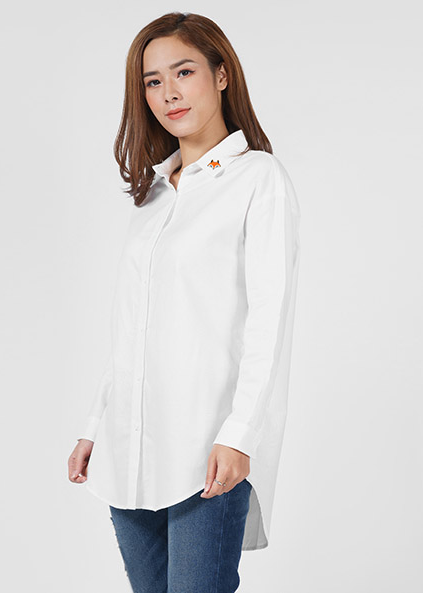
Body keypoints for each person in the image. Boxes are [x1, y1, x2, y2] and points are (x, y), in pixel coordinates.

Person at [67, 11, 301, 593]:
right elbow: (133, 329)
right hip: (128, 453)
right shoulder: (151, 196)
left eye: (184, 71)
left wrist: (240, 433)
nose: (168, 92)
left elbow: (269, 321)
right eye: (153, 81)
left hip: (205, 452)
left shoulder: (258, 179)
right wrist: (96, 424)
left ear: (221, 75)